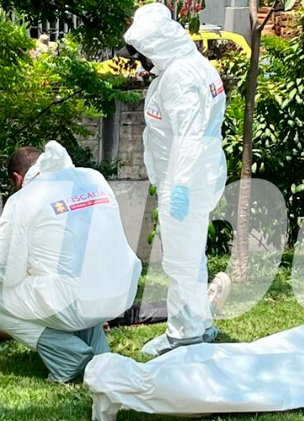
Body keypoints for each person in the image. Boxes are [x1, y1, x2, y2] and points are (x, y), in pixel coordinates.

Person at [0, 142, 143, 382]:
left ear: (17, 178)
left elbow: (5, 272)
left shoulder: (24, 199)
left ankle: (69, 358)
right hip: (118, 293)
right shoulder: (93, 178)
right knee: (76, 287)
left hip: (73, 302)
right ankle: (100, 356)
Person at [120, 3, 232, 356]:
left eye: (143, 56)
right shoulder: (190, 65)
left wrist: (179, 186)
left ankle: (182, 337)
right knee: (191, 255)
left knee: (179, 262)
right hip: (195, 175)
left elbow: (189, 136)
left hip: (185, 179)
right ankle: (200, 323)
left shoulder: (182, 77)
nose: (142, 63)